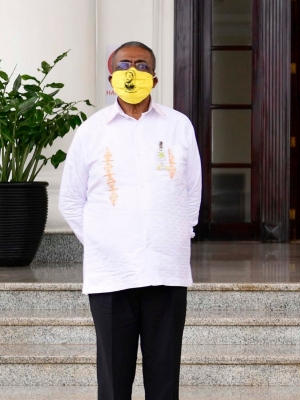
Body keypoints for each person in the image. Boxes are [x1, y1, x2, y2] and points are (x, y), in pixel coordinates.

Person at [59, 41, 201, 400]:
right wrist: (103, 242)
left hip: (165, 273)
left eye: (141, 64)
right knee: (113, 383)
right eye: (125, 65)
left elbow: (192, 192)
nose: (132, 71)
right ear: (112, 77)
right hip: (110, 276)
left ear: (154, 77)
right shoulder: (92, 131)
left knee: (164, 380)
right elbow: (71, 200)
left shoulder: (178, 126)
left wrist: (178, 234)